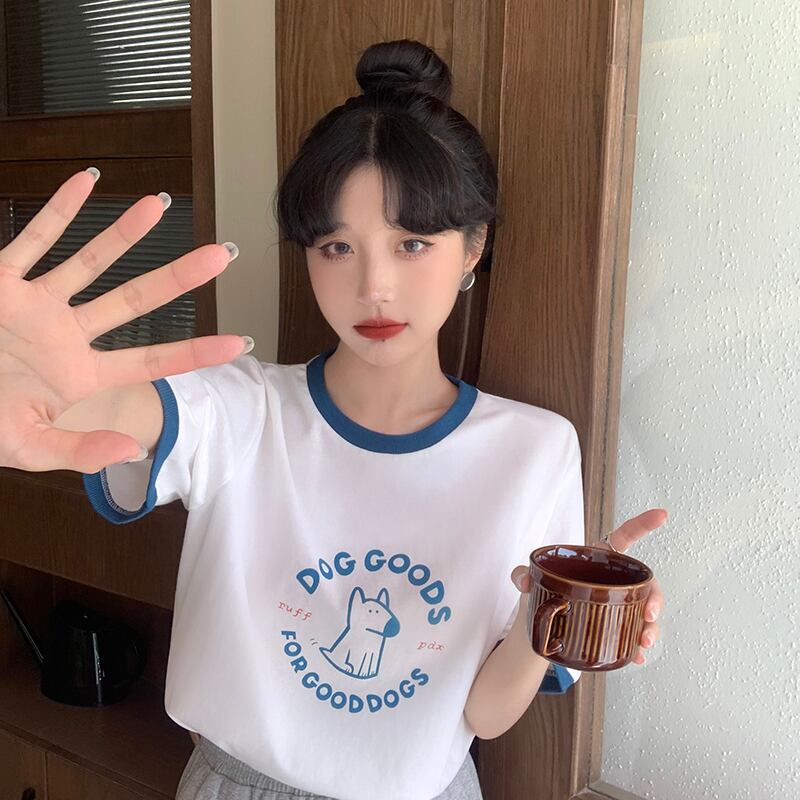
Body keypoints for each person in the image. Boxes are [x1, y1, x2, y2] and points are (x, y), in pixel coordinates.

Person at [0, 38, 664, 800]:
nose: (374, 286)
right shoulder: (239, 410)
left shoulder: (535, 451)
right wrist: (33, 383)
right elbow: (110, 407)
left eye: (412, 243)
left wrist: (560, 609)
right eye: (337, 246)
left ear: (473, 247)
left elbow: (483, 713)